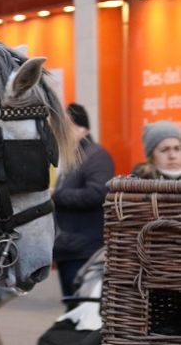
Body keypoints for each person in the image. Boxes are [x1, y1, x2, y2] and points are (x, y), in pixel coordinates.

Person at [52, 103, 114, 299]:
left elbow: (98, 194)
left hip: (85, 250)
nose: (61, 132)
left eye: (66, 126)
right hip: (69, 248)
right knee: (73, 307)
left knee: (83, 308)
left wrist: (56, 195)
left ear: (83, 128)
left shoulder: (97, 156)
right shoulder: (73, 158)